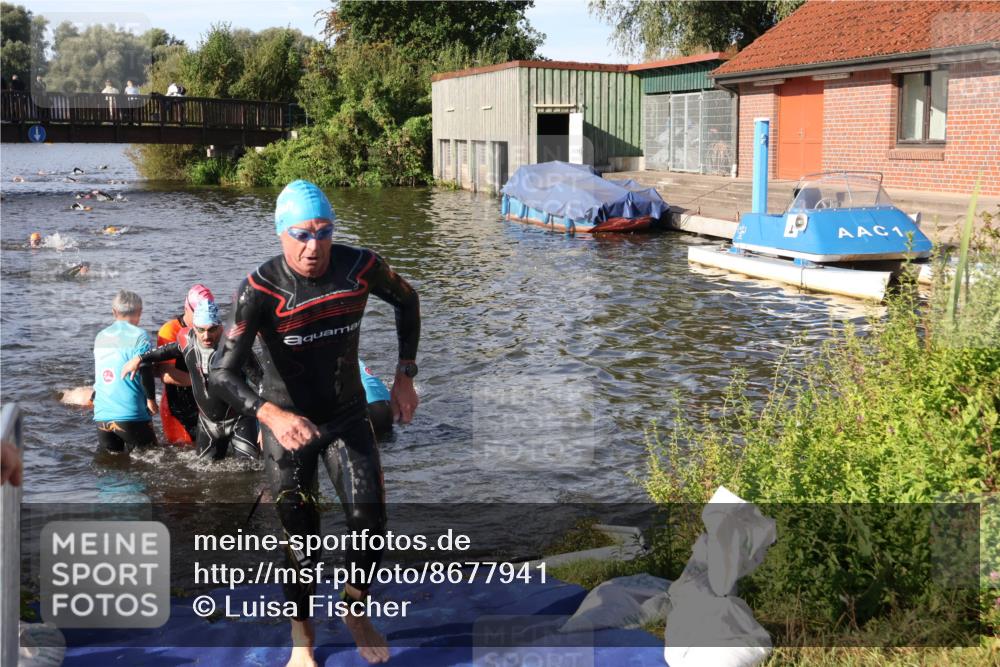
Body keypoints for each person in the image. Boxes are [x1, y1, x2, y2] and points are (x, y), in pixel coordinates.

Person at [215, 179, 420, 666]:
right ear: (282, 234)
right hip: (286, 427)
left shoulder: (360, 267)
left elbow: (408, 301)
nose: (314, 246)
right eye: (302, 235)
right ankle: (303, 641)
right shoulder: (259, 289)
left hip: (346, 416)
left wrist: (404, 376)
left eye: (324, 232)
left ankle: (354, 608)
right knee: (301, 541)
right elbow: (221, 372)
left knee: (370, 521)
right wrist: (269, 413)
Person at [122, 300, 261, 460]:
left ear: (221, 327)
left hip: (240, 420)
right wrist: (139, 358)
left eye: (212, 329)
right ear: (194, 327)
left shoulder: (237, 347)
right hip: (208, 423)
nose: (206, 335)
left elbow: (262, 381)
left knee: (248, 472)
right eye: (200, 330)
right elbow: (167, 351)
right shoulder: (187, 340)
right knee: (203, 474)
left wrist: (268, 423)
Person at [93, 290, 157, 453]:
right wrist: (151, 399)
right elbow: (144, 368)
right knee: (151, 461)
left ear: (114, 312)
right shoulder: (140, 336)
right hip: (131, 414)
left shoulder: (100, 336)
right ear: (140, 312)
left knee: (112, 468)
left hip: (102, 415)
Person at [156, 284, 214, 444]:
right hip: (177, 406)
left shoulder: (212, 327)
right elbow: (165, 374)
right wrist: (204, 383)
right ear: (186, 308)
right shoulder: (169, 330)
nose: (202, 316)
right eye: (198, 312)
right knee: (184, 453)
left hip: (205, 402)